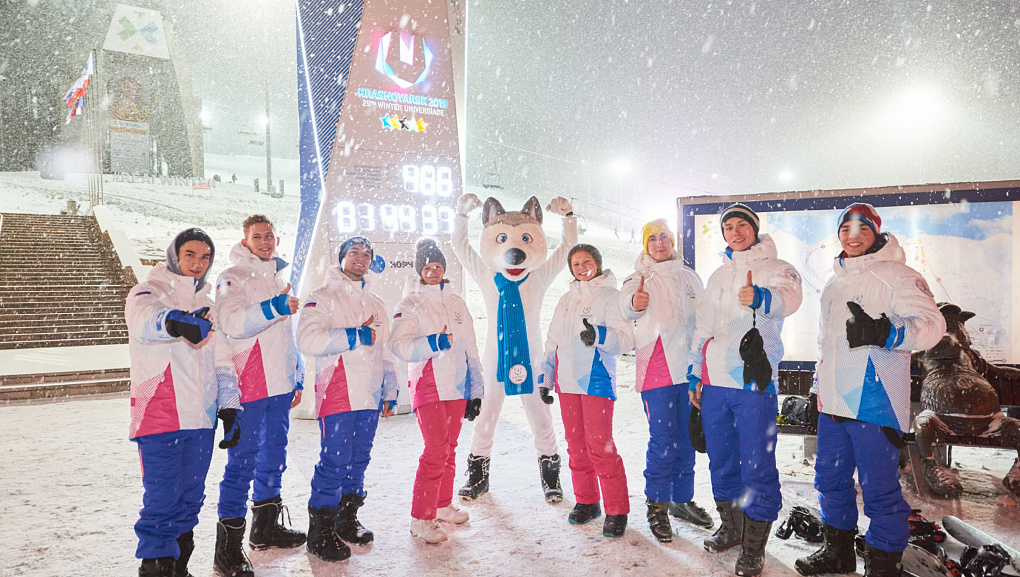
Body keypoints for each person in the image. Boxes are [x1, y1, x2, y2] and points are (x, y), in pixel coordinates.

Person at [796, 204, 944, 577]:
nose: (852, 234)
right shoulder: (833, 282)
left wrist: (886, 331)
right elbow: (824, 345)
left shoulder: (897, 274)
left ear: (876, 232)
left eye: (862, 227)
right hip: (833, 404)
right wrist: (819, 393)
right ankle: (838, 554)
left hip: (875, 403)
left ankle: (882, 566)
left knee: (879, 491)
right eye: (844, 228)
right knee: (830, 482)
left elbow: (932, 324)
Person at [688, 203, 803, 577]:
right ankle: (732, 528)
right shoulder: (719, 275)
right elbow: (703, 327)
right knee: (721, 460)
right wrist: (695, 374)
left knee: (758, 466)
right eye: (729, 227)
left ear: (755, 229)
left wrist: (763, 298)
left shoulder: (777, 267)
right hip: (715, 384)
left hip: (754, 383)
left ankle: (754, 548)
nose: (735, 233)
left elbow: (791, 299)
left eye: (742, 226)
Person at [126, 228, 242, 577]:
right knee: (162, 502)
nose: (198, 263)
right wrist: (174, 321)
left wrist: (230, 406)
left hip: (200, 418)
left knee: (190, 500)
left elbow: (221, 359)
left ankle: (178, 567)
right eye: (190, 254)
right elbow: (145, 321)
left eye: (205, 257)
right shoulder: (148, 291)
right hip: (159, 414)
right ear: (175, 254)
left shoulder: (208, 304)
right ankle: (156, 568)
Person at [213, 215, 306, 576]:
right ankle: (227, 550)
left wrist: (296, 374)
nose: (265, 242)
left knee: (274, 457)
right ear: (245, 239)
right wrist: (274, 307)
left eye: (269, 236)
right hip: (249, 385)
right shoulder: (231, 277)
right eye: (258, 236)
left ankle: (264, 529)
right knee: (241, 465)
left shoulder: (279, 277)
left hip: (278, 387)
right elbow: (234, 323)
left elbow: (286, 333)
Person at [295, 236, 398, 562]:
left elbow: (384, 350)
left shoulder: (376, 301)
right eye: (354, 252)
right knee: (335, 460)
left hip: (368, 392)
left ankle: (345, 517)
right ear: (341, 257)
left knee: (359, 458)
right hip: (336, 390)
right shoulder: (321, 297)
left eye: (367, 253)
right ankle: (320, 530)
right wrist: (353, 335)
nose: (361, 258)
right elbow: (308, 340)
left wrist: (390, 386)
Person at [619, 219, 712, 544]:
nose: (659, 243)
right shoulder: (637, 277)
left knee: (687, 438)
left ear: (672, 241)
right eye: (652, 238)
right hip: (656, 370)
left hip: (688, 371)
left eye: (664, 237)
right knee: (663, 441)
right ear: (645, 244)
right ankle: (656, 505)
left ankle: (681, 500)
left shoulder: (689, 277)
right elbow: (627, 306)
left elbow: (705, 318)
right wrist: (635, 304)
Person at [389, 239, 485, 544]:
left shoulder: (456, 303)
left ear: (444, 268)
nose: (433, 271)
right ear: (419, 271)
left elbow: (470, 347)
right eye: (427, 267)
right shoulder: (409, 304)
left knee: (450, 446)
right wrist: (434, 343)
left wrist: (477, 389)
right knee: (435, 449)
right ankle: (421, 517)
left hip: (457, 385)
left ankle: (442, 505)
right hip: (427, 384)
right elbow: (399, 345)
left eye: (437, 266)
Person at [543, 244, 633, 538]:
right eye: (576, 263)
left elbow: (625, 340)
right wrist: (547, 377)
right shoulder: (566, 300)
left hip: (596, 380)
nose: (582, 267)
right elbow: (552, 341)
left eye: (587, 261)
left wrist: (600, 336)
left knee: (600, 445)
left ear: (598, 263)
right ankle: (587, 500)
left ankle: (617, 509)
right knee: (576, 445)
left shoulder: (611, 297)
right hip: (566, 382)